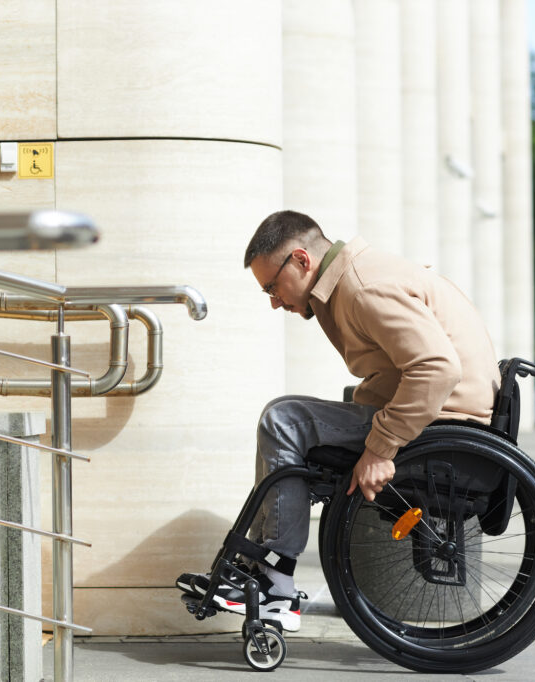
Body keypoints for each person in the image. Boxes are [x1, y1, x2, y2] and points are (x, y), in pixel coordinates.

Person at [178, 210, 500, 633]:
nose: (274, 301)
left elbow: (437, 369)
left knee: (285, 420)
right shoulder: (357, 279)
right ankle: (263, 565)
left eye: (272, 287)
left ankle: (273, 578)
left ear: (301, 260)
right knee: (295, 419)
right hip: (442, 414)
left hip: (445, 424)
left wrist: (380, 448)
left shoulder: (364, 287)